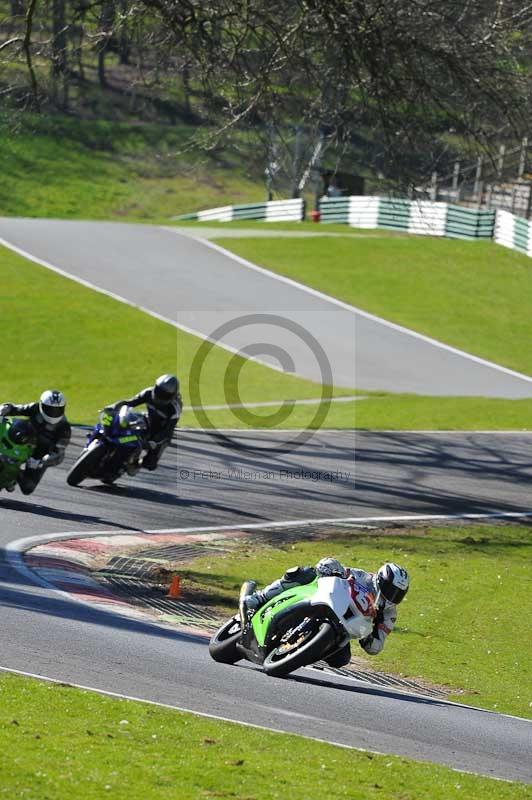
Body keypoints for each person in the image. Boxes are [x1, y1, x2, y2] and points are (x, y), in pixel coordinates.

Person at [242, 558, 409, 668]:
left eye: (398, 594)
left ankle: (300, 652)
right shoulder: (361, 576)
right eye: (391, 590)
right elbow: (332, 568)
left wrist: (373, 628)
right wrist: (331, 567)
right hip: (327, 602)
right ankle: (258, 598)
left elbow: (374, 648)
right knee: (303, 573)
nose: (392, 597)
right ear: (380, 580)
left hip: (343, 629)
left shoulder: (389, 614)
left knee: (341, 660)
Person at [0, 390, 71, 495]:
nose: (54, 413)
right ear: (42, 405)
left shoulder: (64, 427)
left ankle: (14, 476)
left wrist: (45, 460)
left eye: (58, 410)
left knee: (27, 488)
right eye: (50, 409)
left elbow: (59, 451)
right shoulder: (35, 408)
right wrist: (4, 409)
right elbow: (15, 409)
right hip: (23, 438)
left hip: (39, 454)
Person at [111, 374, 182, 471]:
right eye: (159, 391)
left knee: (150, 464)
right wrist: (114, 406)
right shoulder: (148, 393)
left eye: (165, 395)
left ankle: (134, 464)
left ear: (172, 396)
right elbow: (130, 403)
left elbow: (168, 430)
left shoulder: (174, 409)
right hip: (148, 421)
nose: (160, 396)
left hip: (160, 433)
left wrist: (155, 441)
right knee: (124, 430)